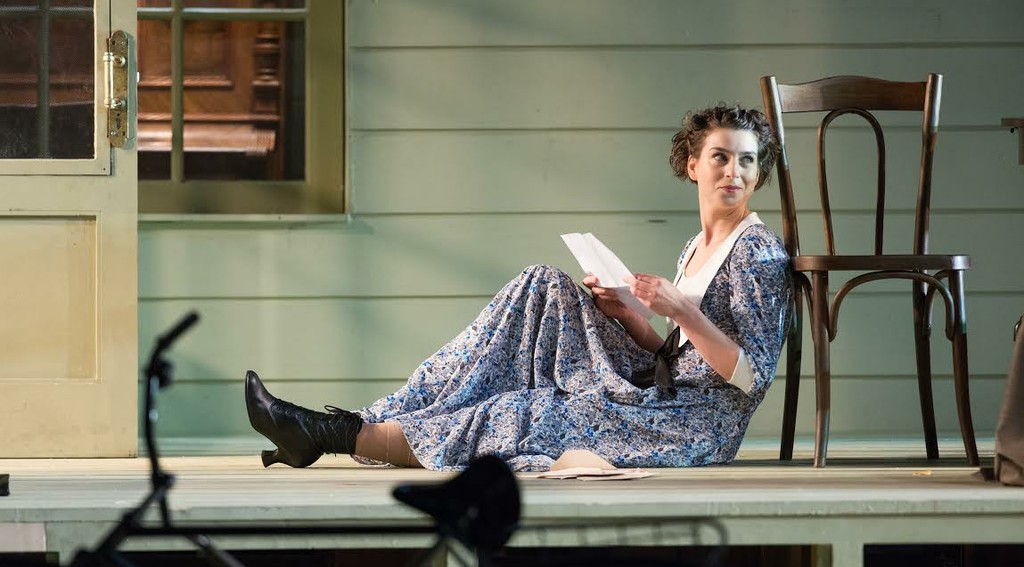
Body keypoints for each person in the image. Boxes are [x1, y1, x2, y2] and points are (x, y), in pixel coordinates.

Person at [245, 104, 791, 472]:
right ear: (693, 165)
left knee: (521, 411)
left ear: (759, 174)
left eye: (747, 161)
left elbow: (751, 378)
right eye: (720, 157)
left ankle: (329, 434)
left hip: (693, 424)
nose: (734, 172)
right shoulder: (697, 246)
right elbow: (678, 359)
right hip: (663, 389)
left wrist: (679, 308)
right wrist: (628, 315)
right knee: (543, 284)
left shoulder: (756, 251)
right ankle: (375, 417)